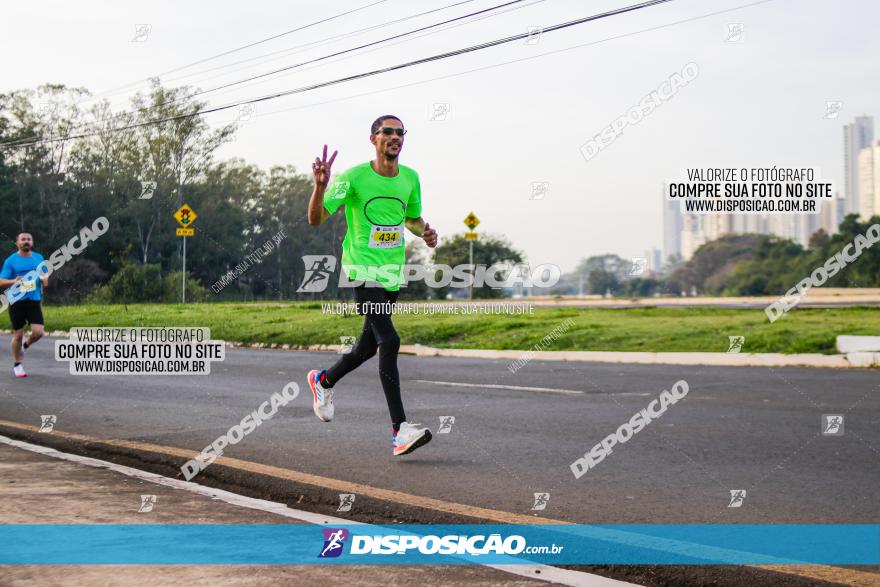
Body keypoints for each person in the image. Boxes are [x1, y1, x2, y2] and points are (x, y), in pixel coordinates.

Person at [306, 114, 439, 456]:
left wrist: (424, 230)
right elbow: (316, 218)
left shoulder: (410, 178)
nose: (395, 137)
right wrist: (320, 186)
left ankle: (324, 381)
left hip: (392, 274)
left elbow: (410, 216)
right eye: (388, 132)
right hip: (361, 270)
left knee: (367, 348)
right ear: (373, 139)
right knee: (390, 340)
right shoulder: (352, 177)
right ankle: (400, 431)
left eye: (400, 132)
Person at [0, 233, 48, 378]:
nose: (26, 242)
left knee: (38, 332)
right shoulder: (11, 260)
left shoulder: (38, 258)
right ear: (17, 243)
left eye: (29, 239)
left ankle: (25, 345)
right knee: (18, 334)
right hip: (16, 301)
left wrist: (44, 278)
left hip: (33, 300)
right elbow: (1, 281)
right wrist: (14, 280)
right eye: (23, 239)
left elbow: (45, 279)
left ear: (32, 242)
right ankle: (18, 364)